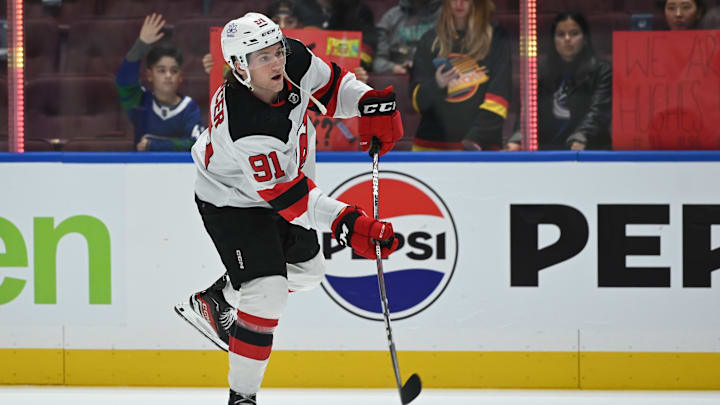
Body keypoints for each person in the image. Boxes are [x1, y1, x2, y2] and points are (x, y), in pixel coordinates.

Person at [174, 13, 403, 404]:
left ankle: (219, 299)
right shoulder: (247, 124)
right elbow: (292, 200)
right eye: (262, 57)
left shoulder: (292, 59)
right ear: (239, 67)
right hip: (231, 201)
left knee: (309, 272)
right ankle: (242, 397)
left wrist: (367, 103)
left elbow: (332, 87)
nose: (276, 61)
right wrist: (350, 223)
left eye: (276, 50)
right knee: (268, 291)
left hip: (281, 184)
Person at [410, 0, 511, 150]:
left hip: (480, 146)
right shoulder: (429, 39)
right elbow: (417, 102)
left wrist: (477, 138)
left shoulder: (495, 37)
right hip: (431, 146)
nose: (459, 3)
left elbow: (499, 96)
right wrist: (436, 84)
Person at [507, 12, 611, 151]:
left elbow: (598, 111)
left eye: (574, 33)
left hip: (588, 150)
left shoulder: (601, 71)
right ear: (553, 40)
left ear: (585, 38)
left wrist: (582, 136)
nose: (567, 39)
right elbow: (527, 113)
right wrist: (519, 138)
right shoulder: (539, 72)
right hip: (547, 150)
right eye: (561, 34)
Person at [116, 13, 204, 151]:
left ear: (181, 77)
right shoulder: (141, 102)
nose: (168, 75)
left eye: (174, 71)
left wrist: (153, 145)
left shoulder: (189, 107)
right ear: (150, 75)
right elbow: (124, 82)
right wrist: (142, 44)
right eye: (162, 70)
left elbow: (198, 145)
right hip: (141, 170)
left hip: (181, 171)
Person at [294, 0, 377, 82]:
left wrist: (354, 65)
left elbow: (367, 47)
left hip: (341, 79)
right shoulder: (295, 5)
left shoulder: (359, 10)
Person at [373, 0, 442, 74]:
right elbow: (378, 63)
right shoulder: (391, 17)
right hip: (400, 76)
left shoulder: (445, 15)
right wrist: (394, 68)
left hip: (435, 74)